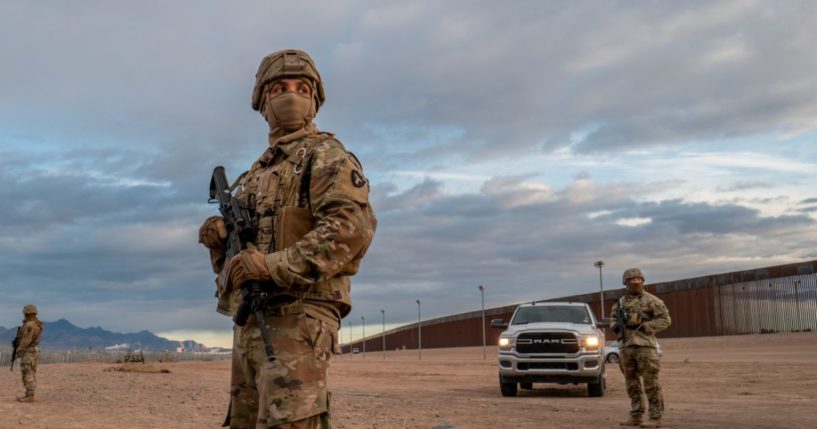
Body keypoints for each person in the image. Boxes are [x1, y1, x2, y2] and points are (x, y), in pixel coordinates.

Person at [199, 49, 377, 429]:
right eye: (279, 87)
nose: (290, 95)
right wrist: (220, 243)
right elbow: (237, 264)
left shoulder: (326, 156)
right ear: (263, 102)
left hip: (299, 319)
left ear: (314, 100)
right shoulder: (254, 175)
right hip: (250, 322)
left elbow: (350, 230)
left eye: (301, 88)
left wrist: (272, 266)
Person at [611, 268, 671, 428]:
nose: (636, 282)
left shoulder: (653, 301)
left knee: (651, 383)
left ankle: (655, 417)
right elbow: (613, 319)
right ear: (626, 283)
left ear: (643, 281)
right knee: (632, 384)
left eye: (639, 279)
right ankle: (636, 415)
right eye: (632, 279)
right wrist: (616, 326)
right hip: (626, 346)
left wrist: (646, 326)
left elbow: (665, 320)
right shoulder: (620, 302)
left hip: (645, 346)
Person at [15, 304, 44, 403]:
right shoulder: (36, 324)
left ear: (28, 313)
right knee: (29, 371)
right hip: (32, 350)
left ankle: (30, 395)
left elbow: (25, 340)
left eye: (25, 314)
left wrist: (19, 350)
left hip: (29, 350)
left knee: (27, 371)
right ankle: (28, 394)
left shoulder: (30, 325)